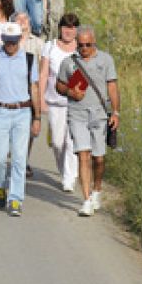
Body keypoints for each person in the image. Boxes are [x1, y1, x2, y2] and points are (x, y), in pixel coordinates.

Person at [57, 25, 120, 216]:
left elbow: (112, 87)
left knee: (98, 158)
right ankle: (85, 200)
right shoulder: (69, 62)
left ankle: (97, 190)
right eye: (81, 44)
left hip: (99, 114)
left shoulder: (106, 60)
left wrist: (116, 112)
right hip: (77, 113)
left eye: (88, 45)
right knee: (82, 155)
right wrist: (69, 91)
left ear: (94, 43)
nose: (84, 48)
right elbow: (59, 84)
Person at [0, 22, 41, 217]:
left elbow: (34, 88)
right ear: (3, 40)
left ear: (19, 40)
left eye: (14, 42)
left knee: (19, 158)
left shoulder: (30, 59)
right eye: (8, 42)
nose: (11, 46)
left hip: (22, 111)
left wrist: (37, 117)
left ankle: (15, 198)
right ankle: (0, 186)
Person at [41, 12, 80, 193]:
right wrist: (40, 98)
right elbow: (43, 74)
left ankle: (69, 177)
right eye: (65, 27)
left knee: (71, 142)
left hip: (75, 104)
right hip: (54, 102)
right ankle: (64, 169)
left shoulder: (81, 49)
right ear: (60, 28)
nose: (68, 31)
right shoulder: (49, 47)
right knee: (57, 143)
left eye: (72, 27)